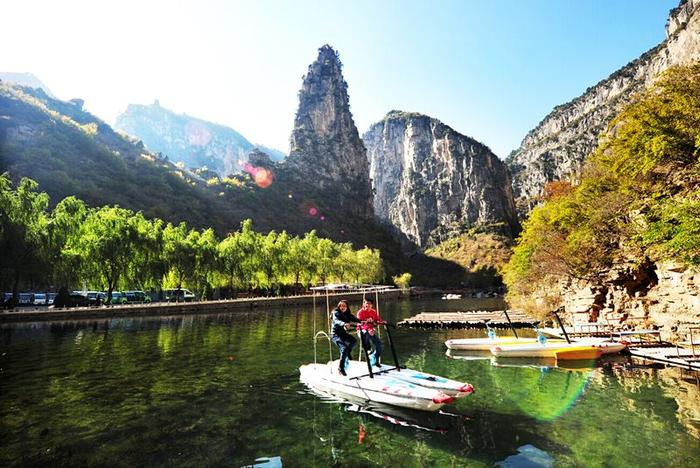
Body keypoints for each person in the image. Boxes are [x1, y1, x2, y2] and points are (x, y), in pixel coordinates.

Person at [331, 300, 360, 376]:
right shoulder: (336, 313)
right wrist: (344, 323)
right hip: (335, 335)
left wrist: (363, 322)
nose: (342, 307)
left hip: (343, 334)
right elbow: (336, 321)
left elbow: (355, 319)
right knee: (343, 348)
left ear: (347, 307)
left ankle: (348, 352)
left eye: (344, 306)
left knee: (353, 341)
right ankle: (341, 368)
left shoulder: (347, 314)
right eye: (341, 306)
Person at [357, 298, 384, 367]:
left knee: (380, 346)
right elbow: (361, 323)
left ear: (371, 305)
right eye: (366, 303)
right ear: (364, 304)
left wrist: (382, 322)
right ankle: (368, 349)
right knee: (365, 334)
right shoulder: (360, 312)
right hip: (362, 330)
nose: (367, 305)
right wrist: (369, 329)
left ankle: (375, 358)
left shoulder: (373, 312)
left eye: (369, 304)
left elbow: (378, 319)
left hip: (371, 331)